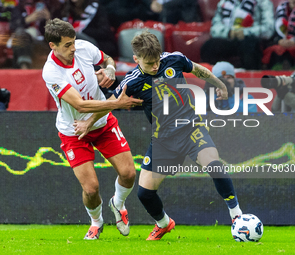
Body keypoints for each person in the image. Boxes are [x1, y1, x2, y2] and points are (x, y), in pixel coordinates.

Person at [74, 31, 243, 240]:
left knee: (214, 165)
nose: (155, 66)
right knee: (144, 193)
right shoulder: (132, 81)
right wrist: (88, 122)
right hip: (163, 140)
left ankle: (237, 217)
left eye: (156, 60)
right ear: (136, 60)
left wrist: (220, 85)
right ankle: (163, 223)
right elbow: (112, 105)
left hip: (191, 129)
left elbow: (198, 70)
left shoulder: (174, 59)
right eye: (149, 63)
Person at [42, 18, 143, 240]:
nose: (73, 48)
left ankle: (118, 204)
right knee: (91, 189)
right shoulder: (51, 72)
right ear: (53, 46)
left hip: (102, 122)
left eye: (73, 42)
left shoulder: (84, 48)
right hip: (74, 131)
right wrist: (117, 103)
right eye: (67, 45)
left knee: (128, 174)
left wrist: (108, 69)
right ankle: (96, 222)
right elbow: (79, 104)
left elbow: (107, 58)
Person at [200, 0, 274, 70]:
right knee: (209, 46)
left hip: (251, 39)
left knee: (249, 45)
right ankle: (212, 79)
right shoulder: (224, 2)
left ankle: (251, 79)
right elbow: (214, 28)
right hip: (228, 38)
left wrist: (245, 32)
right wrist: (228, 32)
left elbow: (269, 29)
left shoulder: (263, 2)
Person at [262, 0, 295, 70]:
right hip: (283, 42)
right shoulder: (281, 8)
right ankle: (274, 76)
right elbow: (274, 31)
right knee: (275, 51)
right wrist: (279, 40)